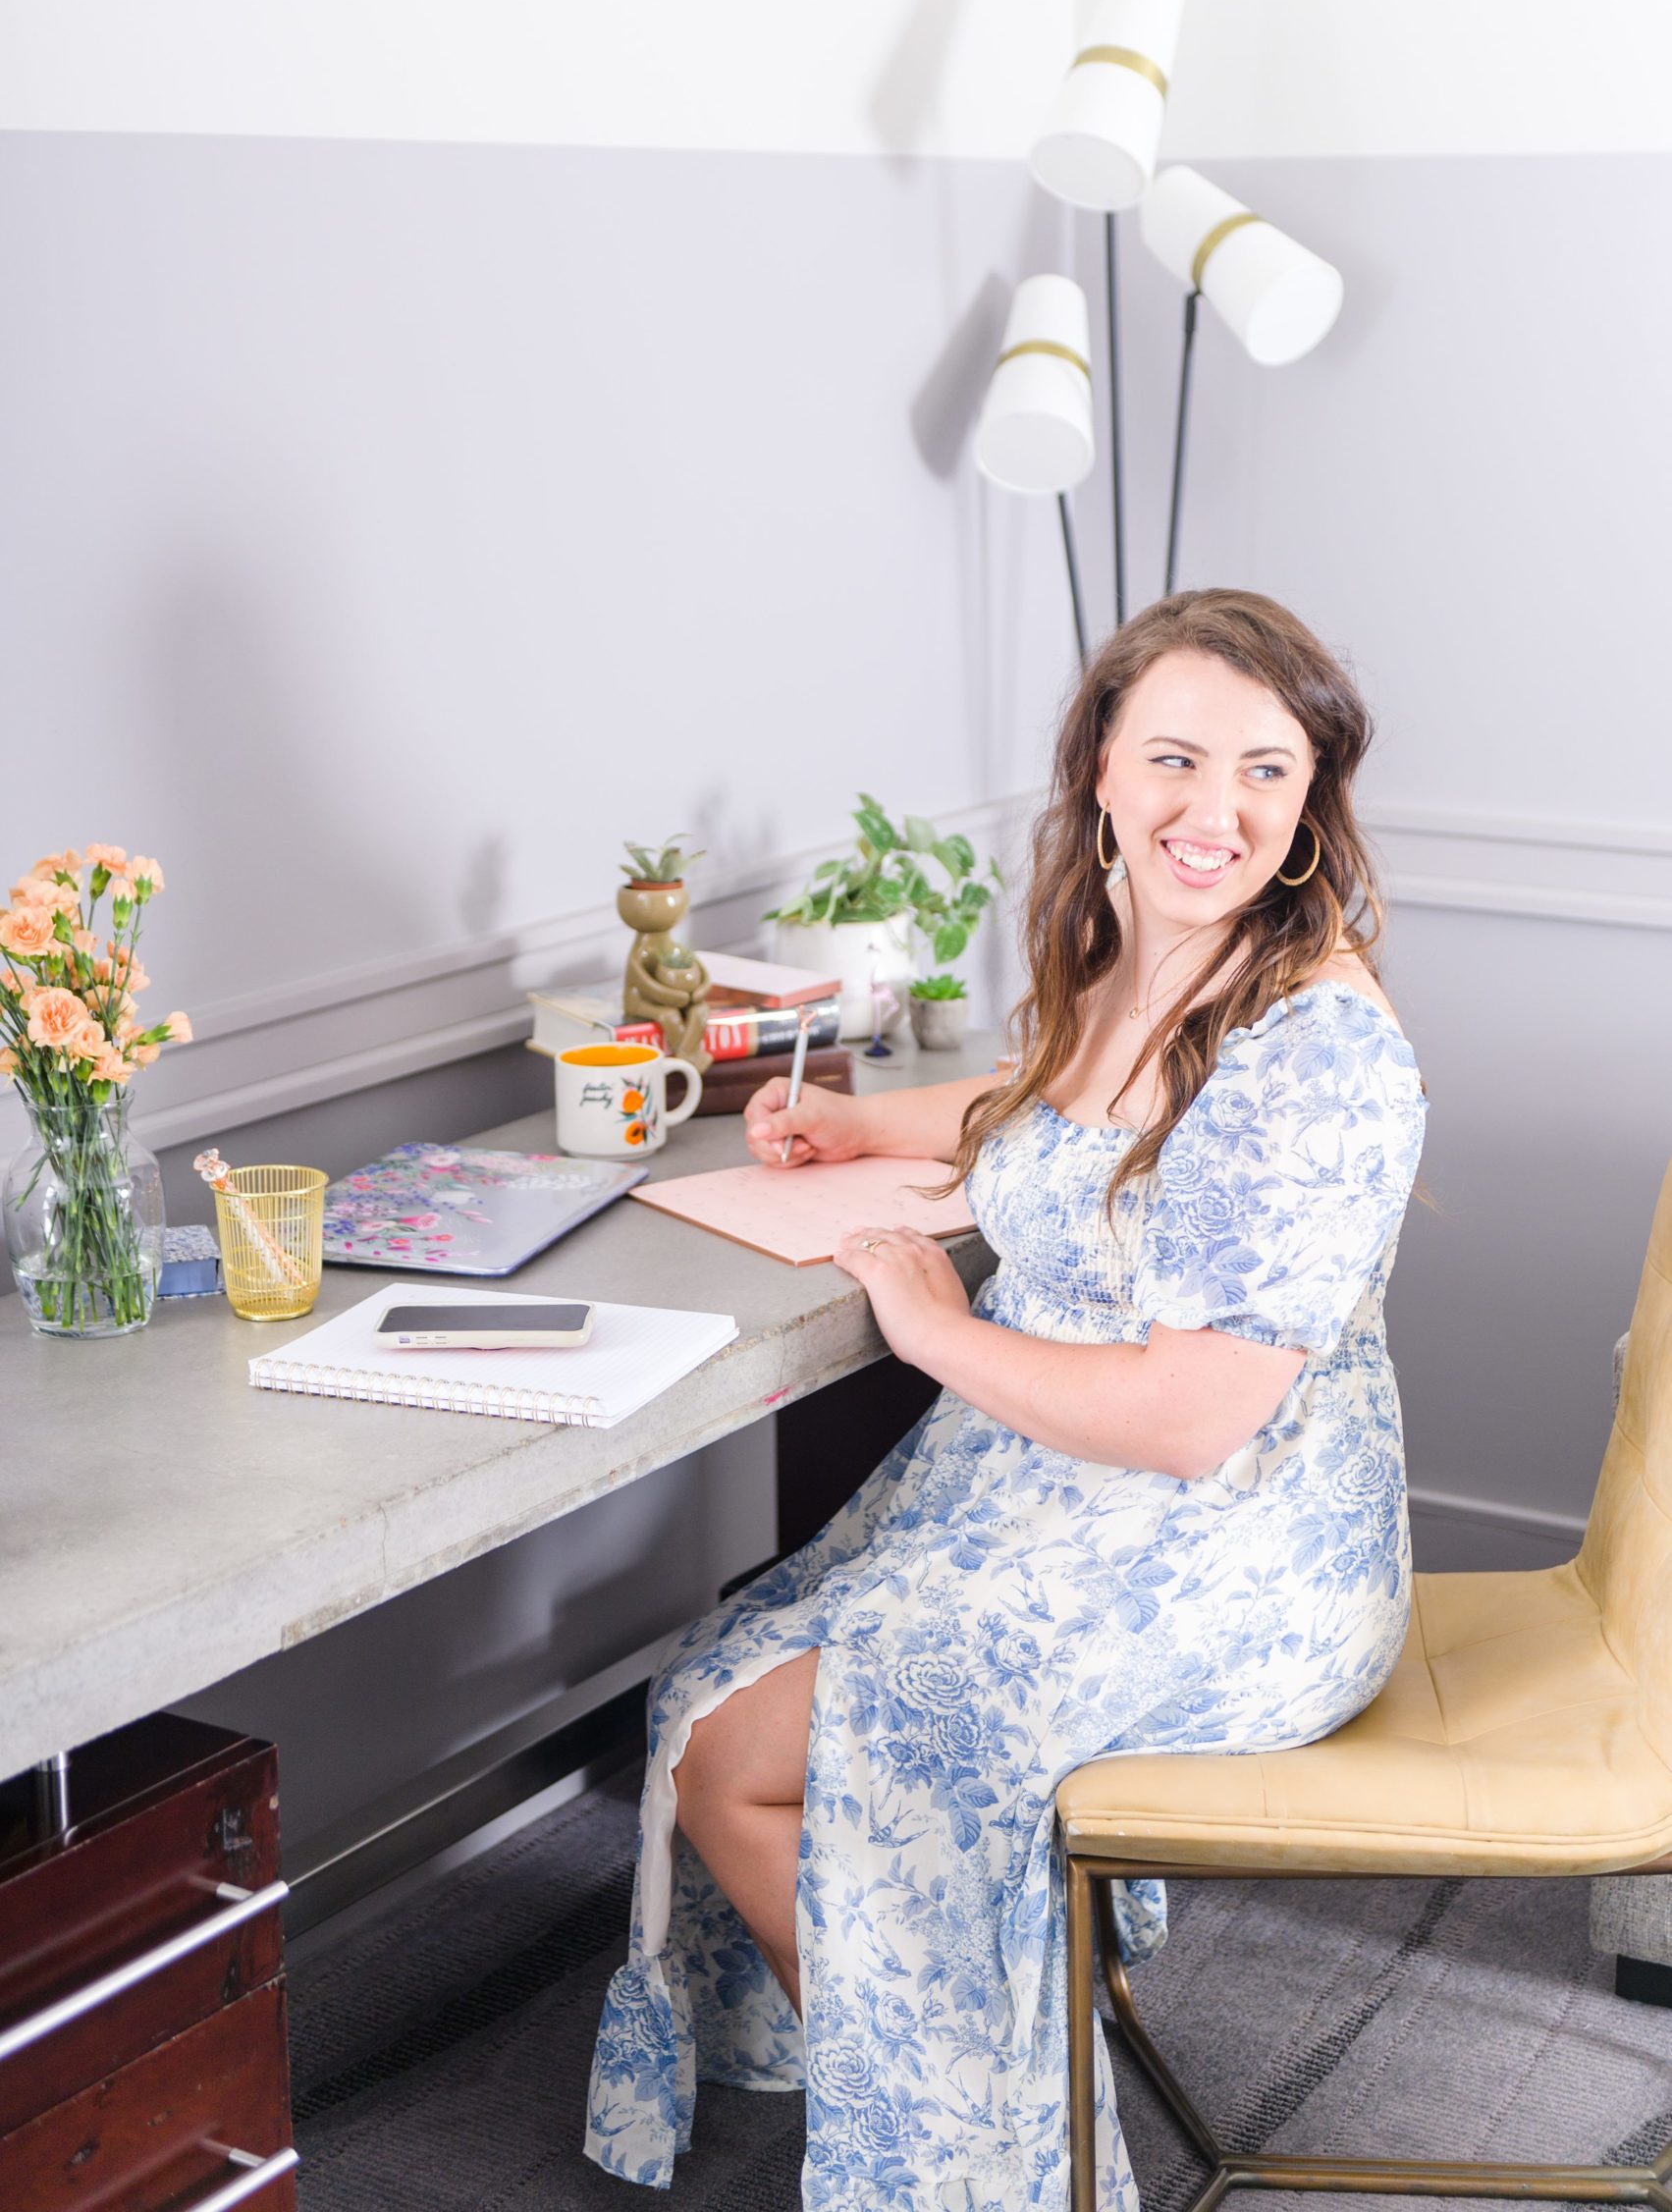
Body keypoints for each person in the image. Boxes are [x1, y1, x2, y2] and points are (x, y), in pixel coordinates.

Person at [585, 589, 1429, 2210]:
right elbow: (1052, 1100)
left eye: (1266, 770)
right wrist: (867, 1125)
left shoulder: (1316, 1047)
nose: (1217, 809)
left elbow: (1194, 1420)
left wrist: (931, 1324)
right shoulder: (1145, 949)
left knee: (781, 1750)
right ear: (1102, 765)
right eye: (1176, 758)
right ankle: (968, 2091)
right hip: (1049, 1491)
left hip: (1234, 1548)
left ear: (1311, 795)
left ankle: (972, 2151)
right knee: (711, 1688)